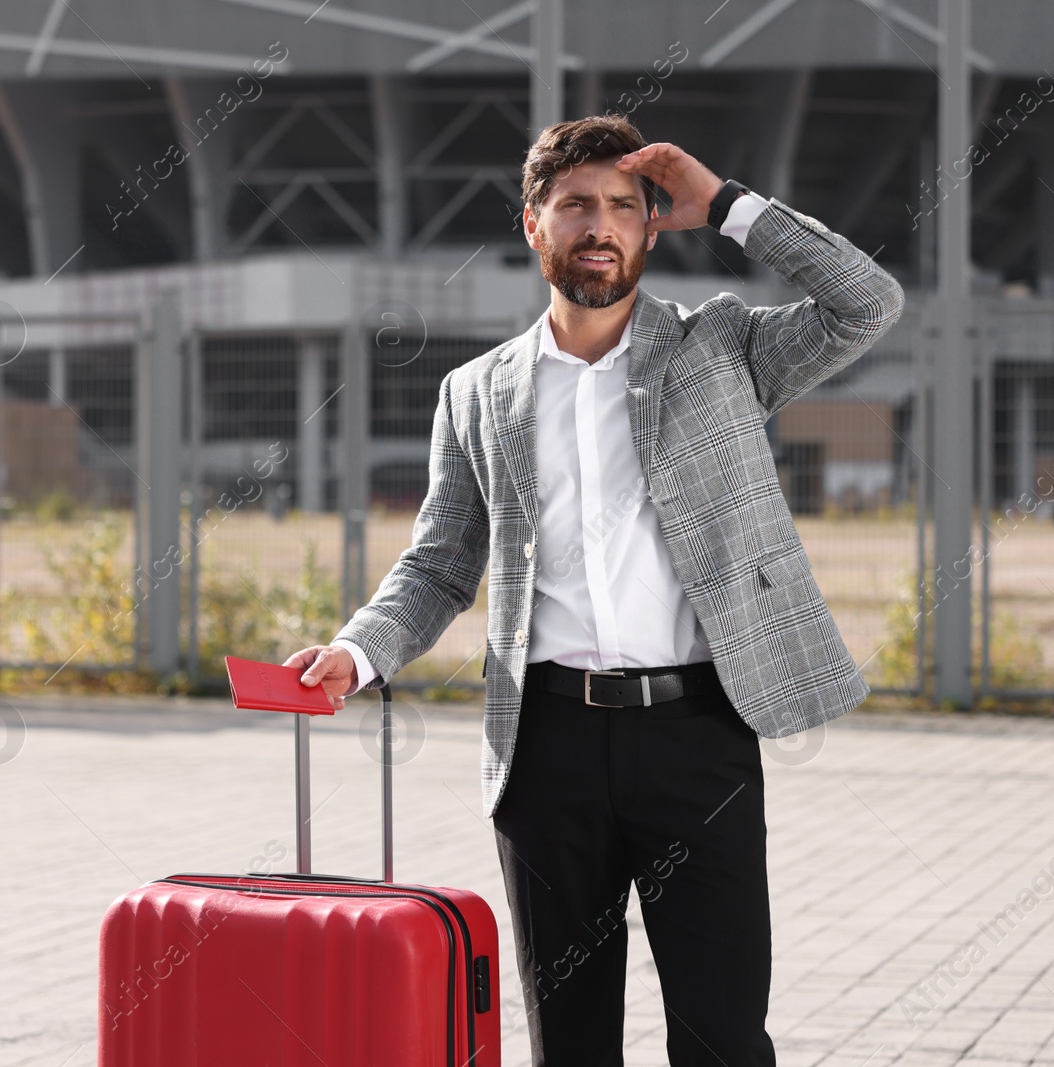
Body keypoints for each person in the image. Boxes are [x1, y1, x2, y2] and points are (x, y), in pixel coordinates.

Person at [284, 113, 904, 1066]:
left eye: (623, 205)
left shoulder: (722, 348)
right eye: (575, 205)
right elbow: (441, 563)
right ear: (534, 225)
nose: (600, 225)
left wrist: (731, 207)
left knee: (725, 1037)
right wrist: (358, 650)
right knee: (569, 1046)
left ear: (653, 228)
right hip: (547, 751)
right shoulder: (477, 391)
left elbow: (867, 303)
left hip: (698, 737)